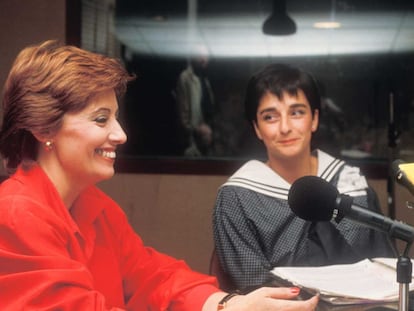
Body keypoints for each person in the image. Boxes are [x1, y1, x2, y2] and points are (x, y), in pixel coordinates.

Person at [0, 41, 318, 310]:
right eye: (101, 119)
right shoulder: (15, 216)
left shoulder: (96, 207)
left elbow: (153, 276)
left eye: (115, 117)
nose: (120, 134)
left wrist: (229, 304)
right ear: (43, 128)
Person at [212, 63, 397, 290]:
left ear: (314, 119)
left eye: (297, 112)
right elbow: (252, 288)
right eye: (270, 117)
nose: (285, 127)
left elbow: (386, 268)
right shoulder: (237, 198)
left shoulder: (351, 183)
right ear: (257, 128)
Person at [175, 47, 215, 156]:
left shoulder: (204, 80)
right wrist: (195, 129)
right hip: (192, 138)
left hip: (205, 135)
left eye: (206, 56)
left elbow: (209, 107)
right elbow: (183, 110)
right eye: (200, 55)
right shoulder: (185, 78)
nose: (203, 59)